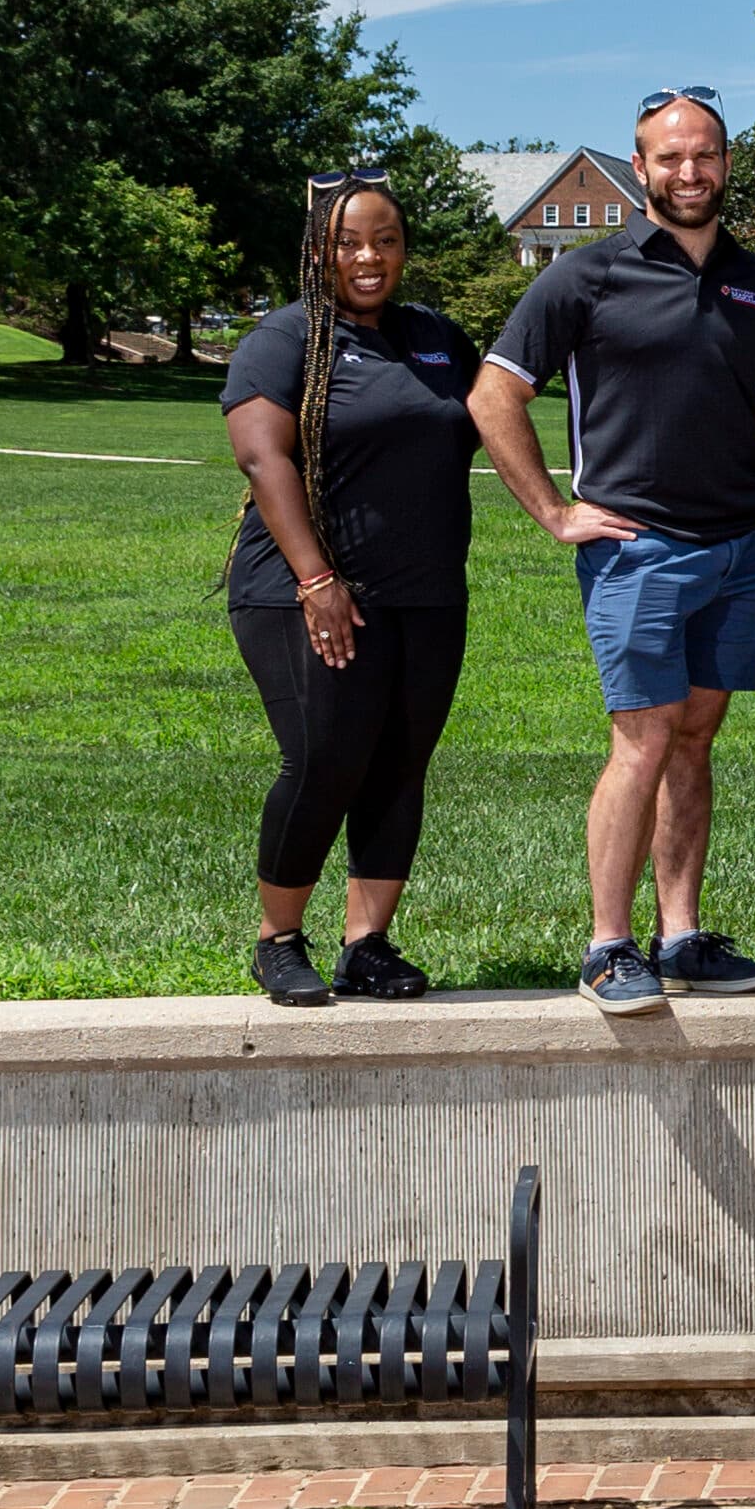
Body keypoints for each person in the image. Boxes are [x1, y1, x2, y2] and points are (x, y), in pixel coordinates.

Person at [472, 88, 755, 1015]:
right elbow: (493, 395)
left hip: (738, 555)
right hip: (638, 552)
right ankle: (607, 946)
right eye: (669, 158)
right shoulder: (584, 277)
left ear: (727, 163)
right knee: (642, 740)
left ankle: (681, 938)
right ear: (639, 168)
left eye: (704, 154)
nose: (689, 172)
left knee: (696, 740)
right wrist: (554, 511)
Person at [219, 169, 484, 1005]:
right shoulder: (286, 338)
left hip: (426, 590)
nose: (368, 256)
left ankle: (365, 945)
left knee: (400, 763)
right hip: (304, 588)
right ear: (318, 251)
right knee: (325, 758)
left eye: (385, 240)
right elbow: (264, 457)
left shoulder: (437, 338)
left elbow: (490, 423)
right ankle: (278, 940)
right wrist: (317, 579)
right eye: (347, 242)